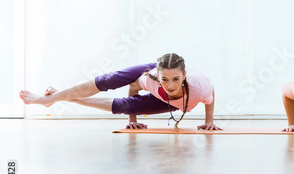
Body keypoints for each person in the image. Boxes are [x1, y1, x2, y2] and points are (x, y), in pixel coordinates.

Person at [19, 53, 222, 131]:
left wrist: (209, 120)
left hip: (171, 104)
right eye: (165, 80)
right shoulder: (150, 78)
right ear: (158, 77)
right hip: (152, 70)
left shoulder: (199, 88)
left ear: (184, 75)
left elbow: (210, 94)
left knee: (122, 106)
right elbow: (134, 87)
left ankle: (65, 97)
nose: (170, 85)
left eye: (176, 80)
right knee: (111, 80)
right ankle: (53, 98)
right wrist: (132, 118)